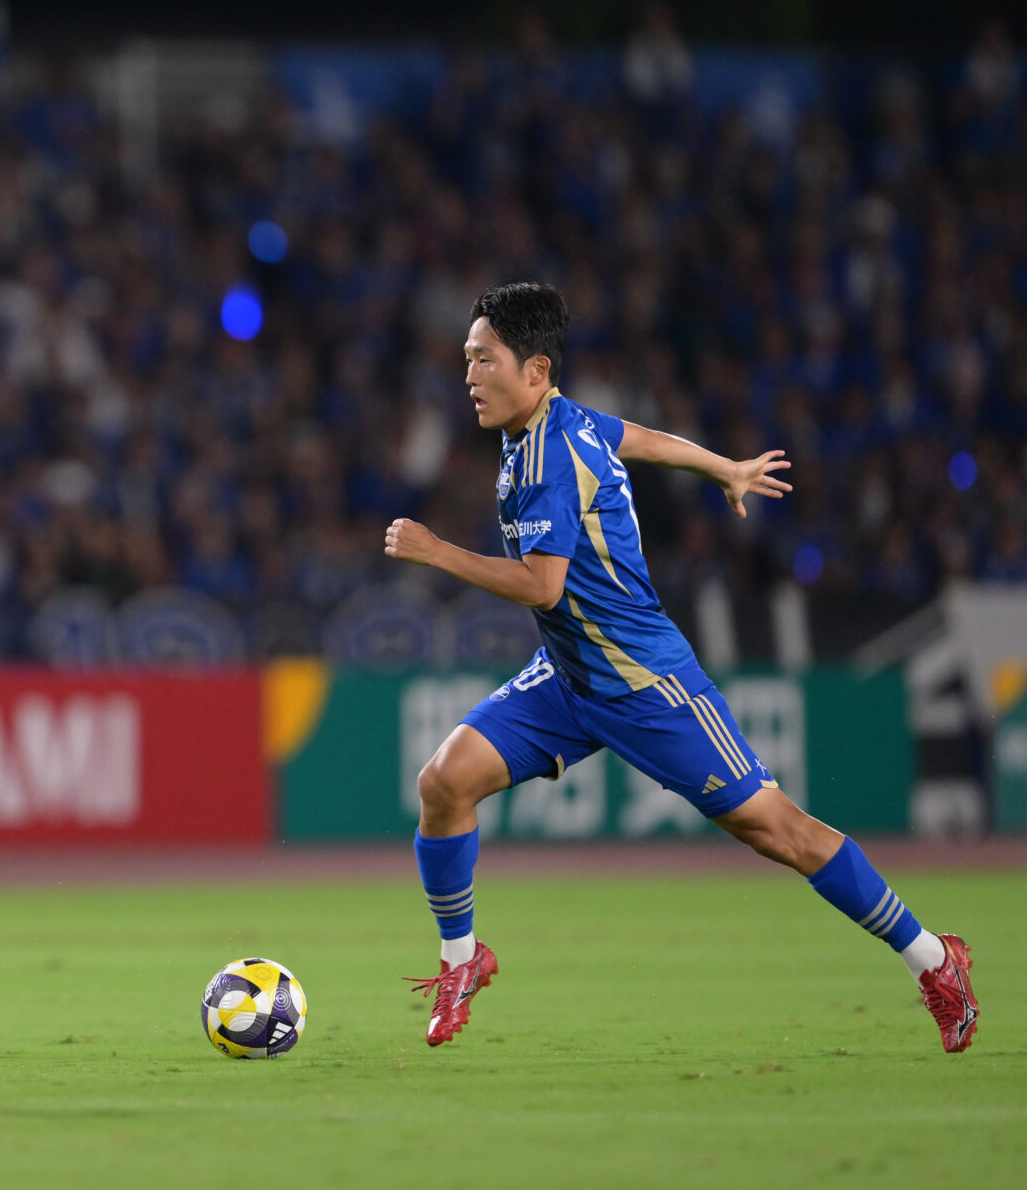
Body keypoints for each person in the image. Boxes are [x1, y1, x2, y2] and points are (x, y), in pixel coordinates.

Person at [383, 282, 978, 1052]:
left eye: (482, 359)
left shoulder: (550, 455)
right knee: (444, 782)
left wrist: (437, 552)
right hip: (571, 676)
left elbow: (542, 585)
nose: (467, 375)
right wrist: (721, 466)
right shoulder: (557, 420)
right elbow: (635, 437)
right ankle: (462, 959)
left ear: (535, 370)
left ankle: (933, 957)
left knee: (779, 831)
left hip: (648, 684)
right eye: (467, 358)